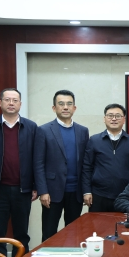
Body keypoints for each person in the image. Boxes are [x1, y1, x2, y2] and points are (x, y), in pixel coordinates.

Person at [0, 88, 38, 257]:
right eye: (7, 100)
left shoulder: (31, 127)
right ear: (0, 103)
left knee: (22, 233)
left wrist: (35, 186)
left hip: (23, 190)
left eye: (15, 100)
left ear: (20, 104)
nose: (11, 103)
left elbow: (36, 159)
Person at [34, 90, 89, 241]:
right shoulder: (43, 130)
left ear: (74, 108)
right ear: (54, 108)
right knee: (49, 234)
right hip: (52, 192)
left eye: (69, 104)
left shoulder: (83, 131)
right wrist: (42, 191)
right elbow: (38, 163)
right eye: (61, 104)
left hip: (76, 192)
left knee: (74, 234)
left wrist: (86, 190)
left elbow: (85, 163)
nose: (65, 107)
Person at [82, 104, 129, 212]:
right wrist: (86, 191)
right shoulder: (94, 140)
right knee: (97, 223)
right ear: (104, 119)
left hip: (125, 195)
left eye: (118, 116)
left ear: (124, 119)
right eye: (110, 115)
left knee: (123, 223)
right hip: (98, 195)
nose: (114, 119)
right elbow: (87, 168)